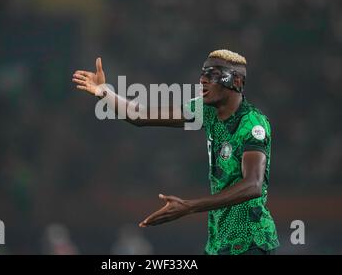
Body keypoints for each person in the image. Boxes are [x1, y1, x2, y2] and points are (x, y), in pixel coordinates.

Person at [72, 49, 279, 255]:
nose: (203, 80)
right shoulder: (206, 111)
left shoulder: (252, 123)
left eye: (213, 74)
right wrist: (103, 92)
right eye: (203, 73)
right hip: (220, 242)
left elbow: (253, 185)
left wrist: (190, 206)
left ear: (236, 82)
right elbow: (141, 116)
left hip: (252, 242)